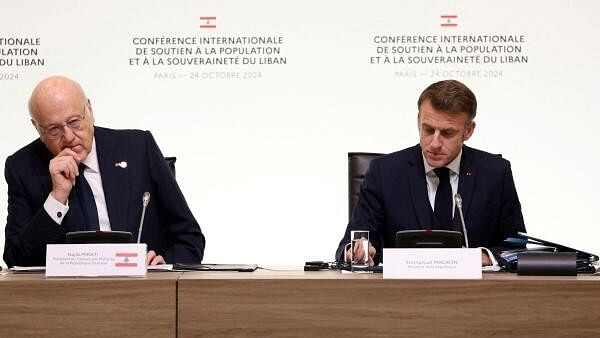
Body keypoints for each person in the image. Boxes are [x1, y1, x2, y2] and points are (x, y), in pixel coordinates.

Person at [4, 75, 205, 267]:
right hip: (68, 296)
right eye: (54, 129)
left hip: (143, 290)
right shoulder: (22, 167)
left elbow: (189, 237)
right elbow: (16, 259)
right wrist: (57, 198)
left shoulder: (138, 148)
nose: (68, 137)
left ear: (90, 109)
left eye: (74, 122)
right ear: (37, 128)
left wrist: (163, 266)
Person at [336, 79, 525, 266]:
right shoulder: (384, 172)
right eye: (428, 129)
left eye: (447, 133)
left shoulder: (495, 173)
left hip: (475, 292)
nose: (434, 143)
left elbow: (517, 248)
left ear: (468, 130)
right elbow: (350, 245)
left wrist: (484, 257)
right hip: (401, 292)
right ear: (418, 120)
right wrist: (358, 251)